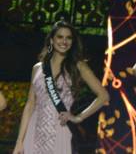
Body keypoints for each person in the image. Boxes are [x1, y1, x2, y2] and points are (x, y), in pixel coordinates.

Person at [13, 20, 109, 154]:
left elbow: (103, 96)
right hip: (34, 131)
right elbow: (30, 105)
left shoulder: (78, 66)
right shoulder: (38, 68)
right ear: (51, 40)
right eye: (60, 37)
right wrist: (19, 141)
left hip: (60, 129)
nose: (64, 41)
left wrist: (78, 117)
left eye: (68, 38)